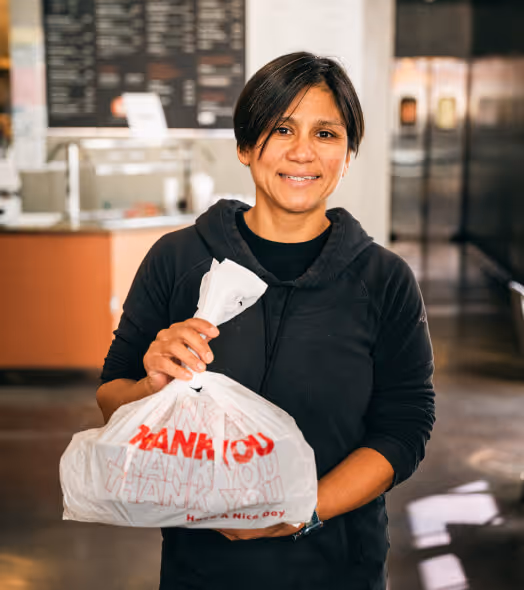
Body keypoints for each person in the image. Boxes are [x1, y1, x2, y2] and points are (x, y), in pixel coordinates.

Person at [97, 52, 435, 590]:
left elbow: (405, 426)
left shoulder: (384, 279)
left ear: (349, 154)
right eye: (281, 128)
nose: (303, 152)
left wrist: (303, 509)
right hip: (200, 567)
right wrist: (151, 386)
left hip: (339, 565)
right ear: (245, 145)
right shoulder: (178, 259)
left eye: (326, 133)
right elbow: (112, 395)